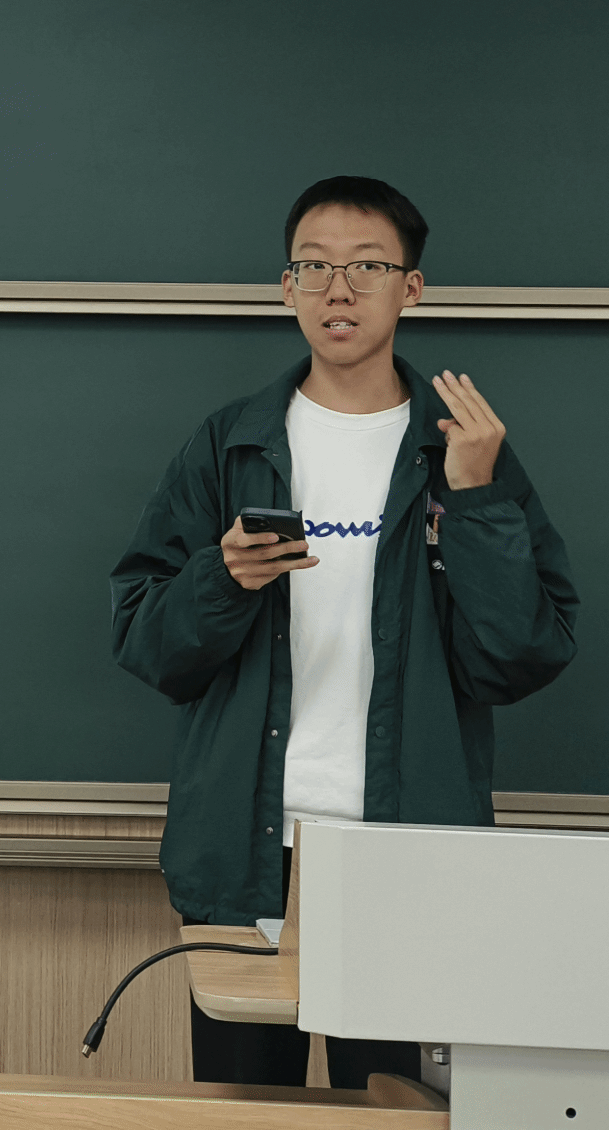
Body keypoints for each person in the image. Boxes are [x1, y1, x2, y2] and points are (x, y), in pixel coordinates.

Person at [109, 175, 580, 1090]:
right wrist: (222, 579)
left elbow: (522, 656)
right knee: (248, 1110)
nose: (339, 289)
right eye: (314, 267)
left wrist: (476, 498)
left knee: (397, 1105)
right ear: (285, 288)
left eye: (368, 267)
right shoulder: (230, 444)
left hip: (404, 850)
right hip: (249, 850)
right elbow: (145, 642)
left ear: (412, 288)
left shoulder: (462, 449)